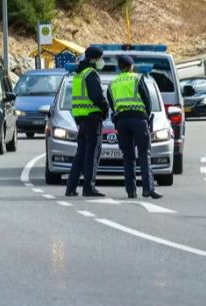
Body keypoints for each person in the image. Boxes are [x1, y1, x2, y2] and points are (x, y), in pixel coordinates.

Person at [106, 56, 163, 200]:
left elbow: (112, 103)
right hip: (139, 120)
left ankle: (131, 191)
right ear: (131, 66)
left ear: (119, 67)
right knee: (144, 154)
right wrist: (146, 116)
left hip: (122, 122)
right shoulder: (137, 78)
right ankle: (147, 189)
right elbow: (147, 100)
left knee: (128, 157)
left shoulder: (112, 83)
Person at [65, 45, 110, 198]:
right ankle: (88, 187)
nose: (101, 61)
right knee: (92, 154)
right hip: (92, 118)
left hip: (81, 119)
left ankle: (71, 187)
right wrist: (105, 109)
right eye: (100, 58)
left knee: (81, 154)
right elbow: (97, 96)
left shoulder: (79, 74)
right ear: (94, 59)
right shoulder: (91, 73)